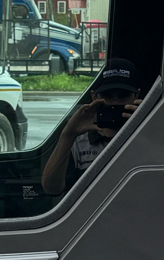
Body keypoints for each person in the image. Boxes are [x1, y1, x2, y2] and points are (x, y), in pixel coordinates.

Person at [42, 58, 141, 195]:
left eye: (124, 96)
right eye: (107, 95)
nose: (116, 102)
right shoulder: (79, 141)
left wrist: (147, 128)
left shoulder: (145, 132)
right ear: (94, 97)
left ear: (137, 95)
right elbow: (51, 188)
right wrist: (68, 134)